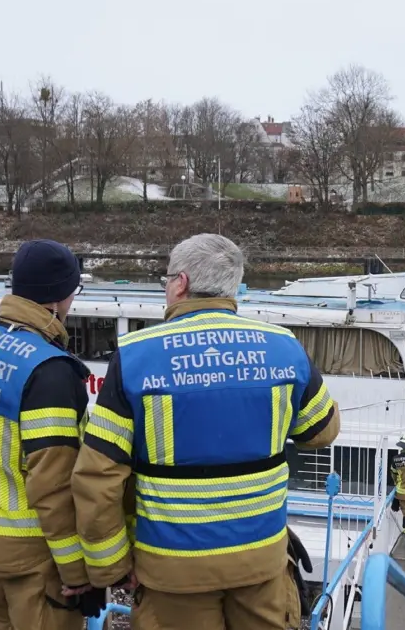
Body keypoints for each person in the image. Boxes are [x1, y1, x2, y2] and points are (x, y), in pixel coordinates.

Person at [72, 233, 340, 630]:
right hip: (261, 562)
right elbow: (322, 430)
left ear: (181, 283)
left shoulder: (135, 356)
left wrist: (111, 566)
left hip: (172, 571)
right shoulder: (283, 346)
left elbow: (97, 480)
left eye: (167, 280)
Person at [0, 239, 102, 629]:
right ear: (60, 299)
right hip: (34, 563)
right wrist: (78, 574)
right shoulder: (51, 372)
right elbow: (54, 488)